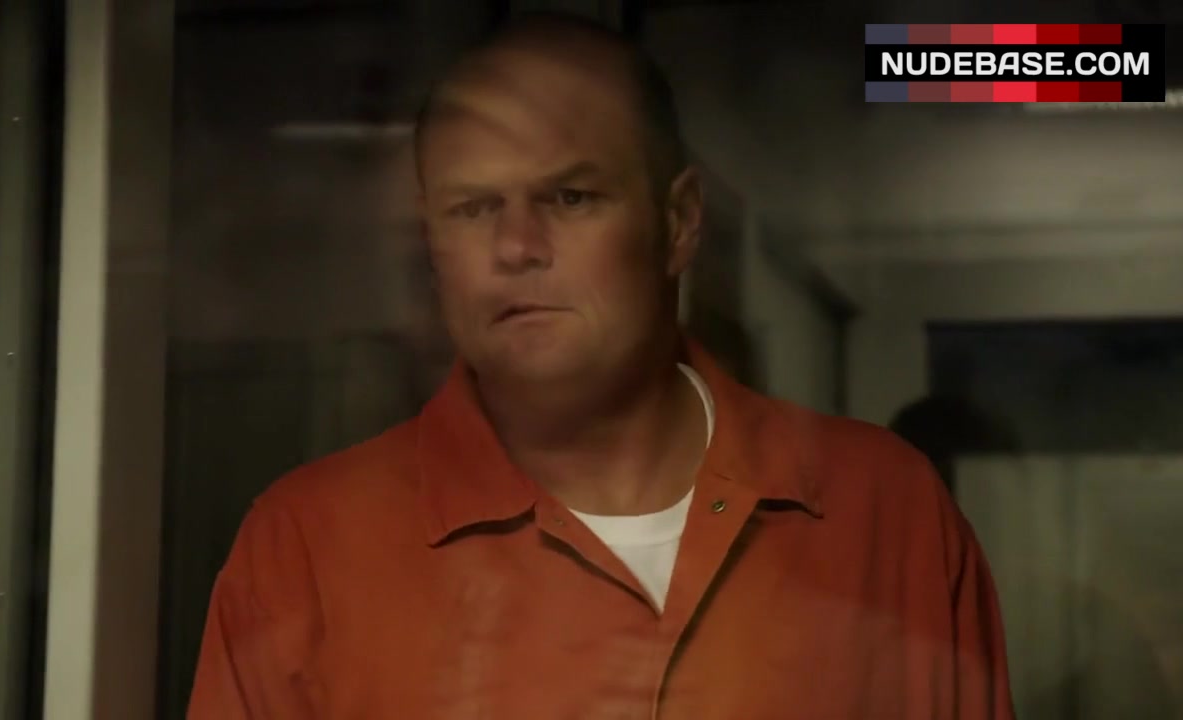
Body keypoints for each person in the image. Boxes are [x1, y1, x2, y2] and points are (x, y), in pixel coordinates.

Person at [187, 13, 1015, 719]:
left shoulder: (883, 511)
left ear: (679, 223)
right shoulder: (306, 549)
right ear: (432, 244)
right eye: (473, 208)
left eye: (569, 198)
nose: (516, 247)